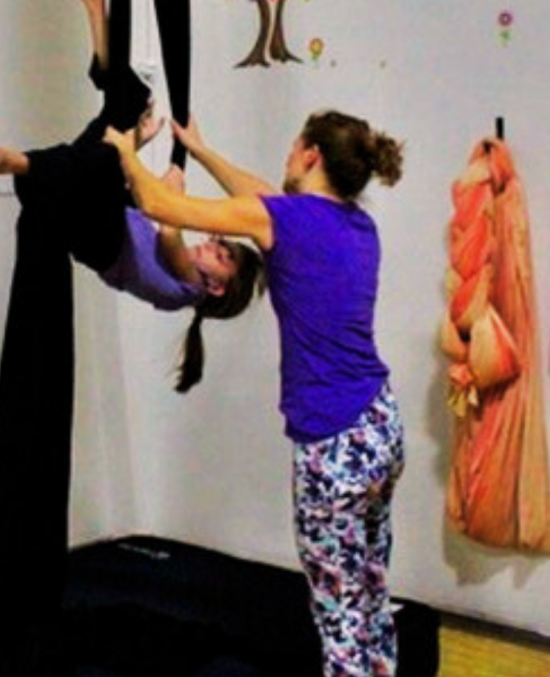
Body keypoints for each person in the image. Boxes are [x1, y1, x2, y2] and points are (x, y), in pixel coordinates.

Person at [103, 110, 406, 677]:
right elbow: (260, 195)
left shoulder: (285, 220)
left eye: (294, 147)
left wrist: (123, 151)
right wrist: (200, 149)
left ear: (311, 155)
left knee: (339, 613)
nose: (287, 156)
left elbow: (159, 206)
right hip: (380, 426)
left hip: (334, 443)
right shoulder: (358, 226)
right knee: (368, 591)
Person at [0, 0, 264, 390]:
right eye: (221, 245)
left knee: (113, 137)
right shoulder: (186, 279)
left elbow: (167, 228)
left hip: (102, 239)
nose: (211, 244)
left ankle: (21, 164)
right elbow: (143, 206)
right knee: (127, 106)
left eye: (222, 255)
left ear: (217, 286)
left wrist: (169, 187)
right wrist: (140, 148)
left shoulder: (189, 288)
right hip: (101, 221)